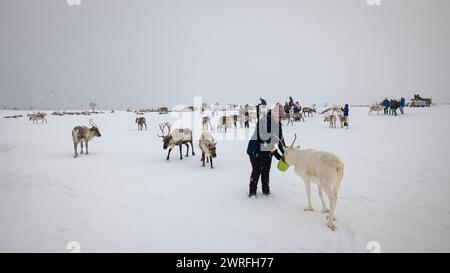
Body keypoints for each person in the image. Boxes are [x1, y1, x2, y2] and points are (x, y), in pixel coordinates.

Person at [246, 104, 285, 198]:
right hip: (256, 149)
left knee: (266, 171)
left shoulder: (278, 124)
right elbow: (264, 139)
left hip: (268, 150)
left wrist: (285, 153)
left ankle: (266, 191)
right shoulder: (263, 120)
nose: (281, 119)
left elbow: (280, 140)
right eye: (280, 117)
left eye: (282, 117)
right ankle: (252, 192)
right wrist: (276, 154)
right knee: (257, 171)